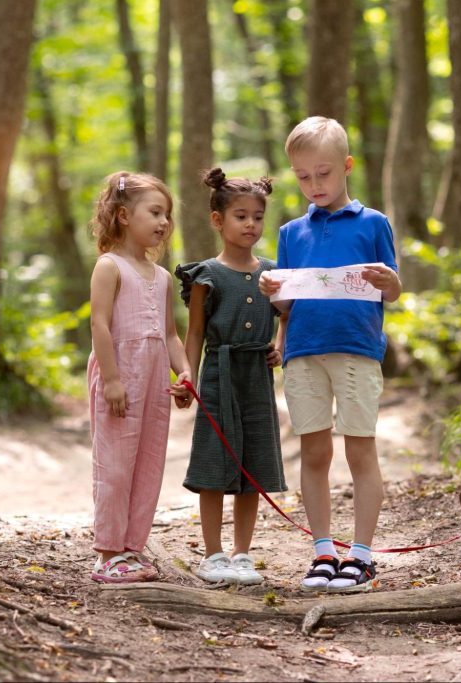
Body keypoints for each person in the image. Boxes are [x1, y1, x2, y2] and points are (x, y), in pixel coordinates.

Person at [259, 117, 401, 592]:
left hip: (357, 349)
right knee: (314, 452)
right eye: (302, 177)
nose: (314, 185)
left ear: (346, 166)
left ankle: (361, 555)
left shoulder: (373, 223)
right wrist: (271, 290)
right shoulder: (290, 233)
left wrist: (390, 282)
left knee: (359, 448)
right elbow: (286, 304)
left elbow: (393, 290)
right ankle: (323, 551)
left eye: (323, 173)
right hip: (303, 351)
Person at [175, 168, 287, 585]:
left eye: (258, 216)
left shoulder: (274, 273)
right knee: (213, 461)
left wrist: (280, 344)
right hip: (219, 374)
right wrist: (187, 377)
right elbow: (196, 332)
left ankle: (242, 554)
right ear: (218, 220)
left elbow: (285, 316)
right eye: (241, 216)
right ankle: (213, 554)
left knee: (252, 465)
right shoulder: (205, 274)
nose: (251, 225)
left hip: (256, 376)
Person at [87, 171, 193, 583]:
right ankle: (107, 551)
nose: (164, 222)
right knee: (115, 462)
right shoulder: (108, 267)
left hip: (153, 379)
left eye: (167, 214)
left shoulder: (162, 276)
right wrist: (112, 379)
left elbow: (168, 333)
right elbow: (99, 325)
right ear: (124, 215)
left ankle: (132, 548)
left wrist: (183, 371)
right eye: (154, 212)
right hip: (120, 375)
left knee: (148, 460)